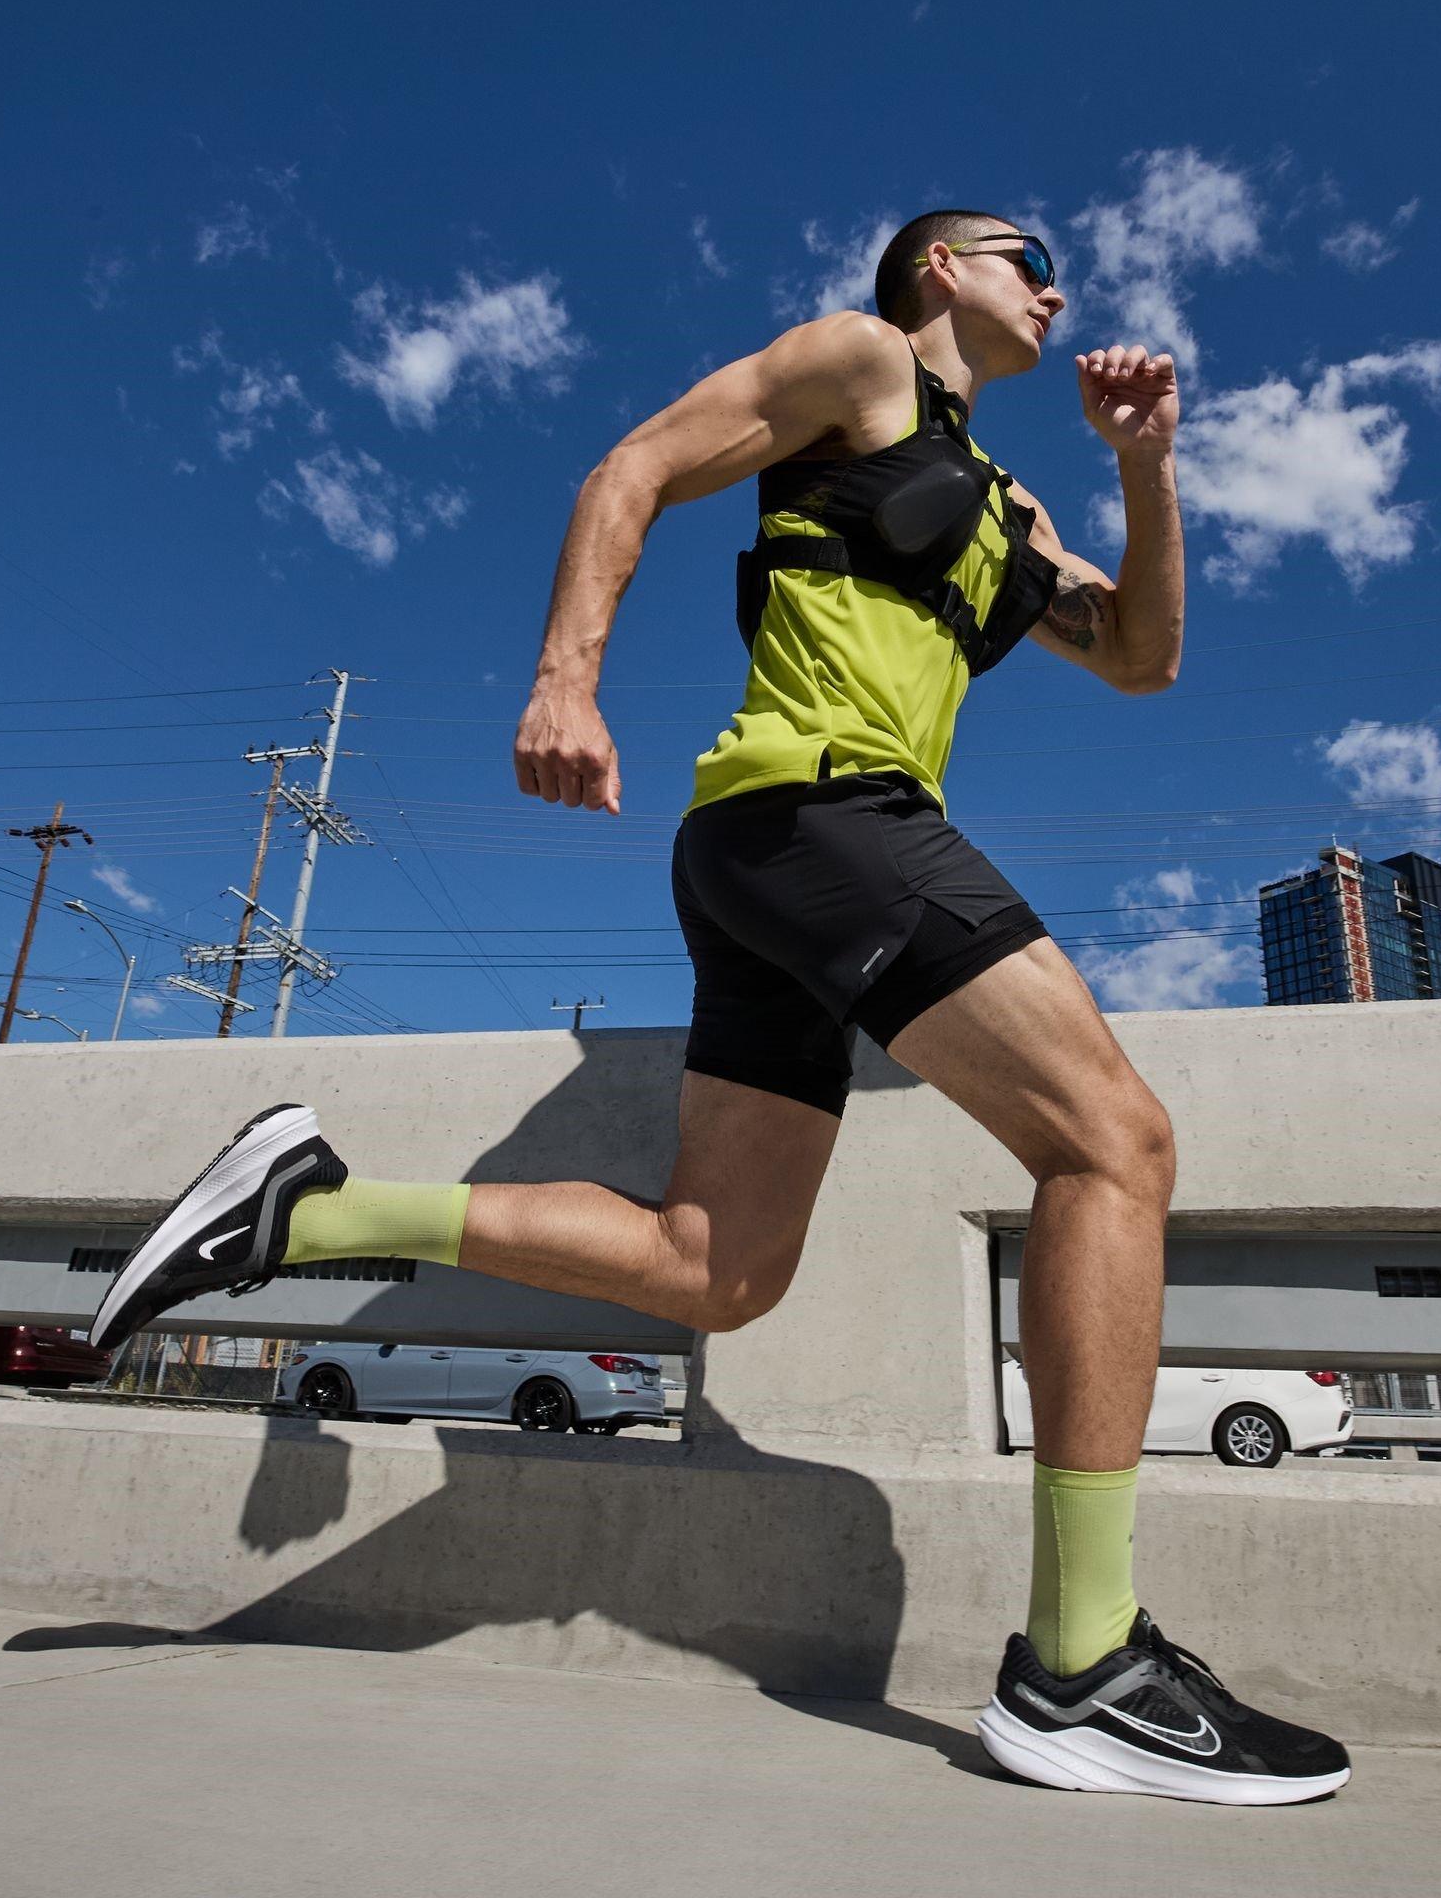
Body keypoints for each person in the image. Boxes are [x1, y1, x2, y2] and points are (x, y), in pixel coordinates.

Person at [89, 210, 1350, 1805]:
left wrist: (1149, 462)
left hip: (786, 862)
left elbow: (1145, 658)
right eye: (1017, 251)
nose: (1055, 282)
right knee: (1117, 1145)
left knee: (717, 1272)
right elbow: (628, 470)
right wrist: (567, 678)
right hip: (822, 816)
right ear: (934, 271)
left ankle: (311, 1210)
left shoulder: (1012, 510)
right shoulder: (858, 360)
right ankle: (1083, 1664)